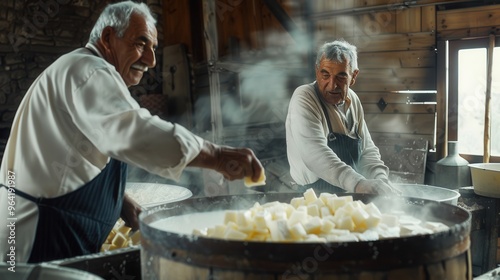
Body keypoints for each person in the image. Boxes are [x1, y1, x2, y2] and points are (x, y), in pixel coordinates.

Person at [0, 1, 263, 263]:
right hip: (37, 232)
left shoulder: (76, 68)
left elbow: (78, 154)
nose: (150, 60)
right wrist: (216, 156)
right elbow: (132, 132)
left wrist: (121, 203)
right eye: (140, 43)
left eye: (153, 48)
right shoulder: (89, 70)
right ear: (108, 37)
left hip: (30, 222)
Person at [285, 40, 398, 195]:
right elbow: (315, 155)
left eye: (341, 76)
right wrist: (359, 183)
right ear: (317, 72)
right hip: (313, 197)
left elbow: (367, 150)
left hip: (348, 193)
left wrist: (380, 180)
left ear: (353, 76)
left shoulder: (353, 100)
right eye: (325, 75)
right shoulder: (304, 97)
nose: (332, 85)